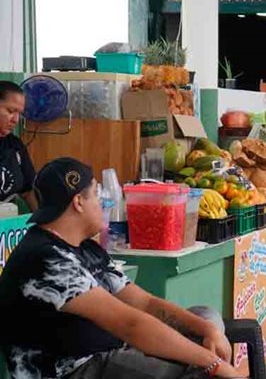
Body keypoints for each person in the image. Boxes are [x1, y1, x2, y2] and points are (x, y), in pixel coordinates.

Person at [0, 158, 242, 378]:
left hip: (109, 351)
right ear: (78, 203)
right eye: (96, 194)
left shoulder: (86, 248)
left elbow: (145, 304)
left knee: (205, 318)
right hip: (75, 369)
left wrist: (208, 330)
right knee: (197, 368)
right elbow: (130, 325)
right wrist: (213, 363)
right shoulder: (44, 259)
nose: (102, 202)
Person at [0, 81, 38, 211]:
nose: (16, 119)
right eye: (11, 111)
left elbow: (28, 191)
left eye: (19, 113)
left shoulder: (15, 146)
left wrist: (44, 224)